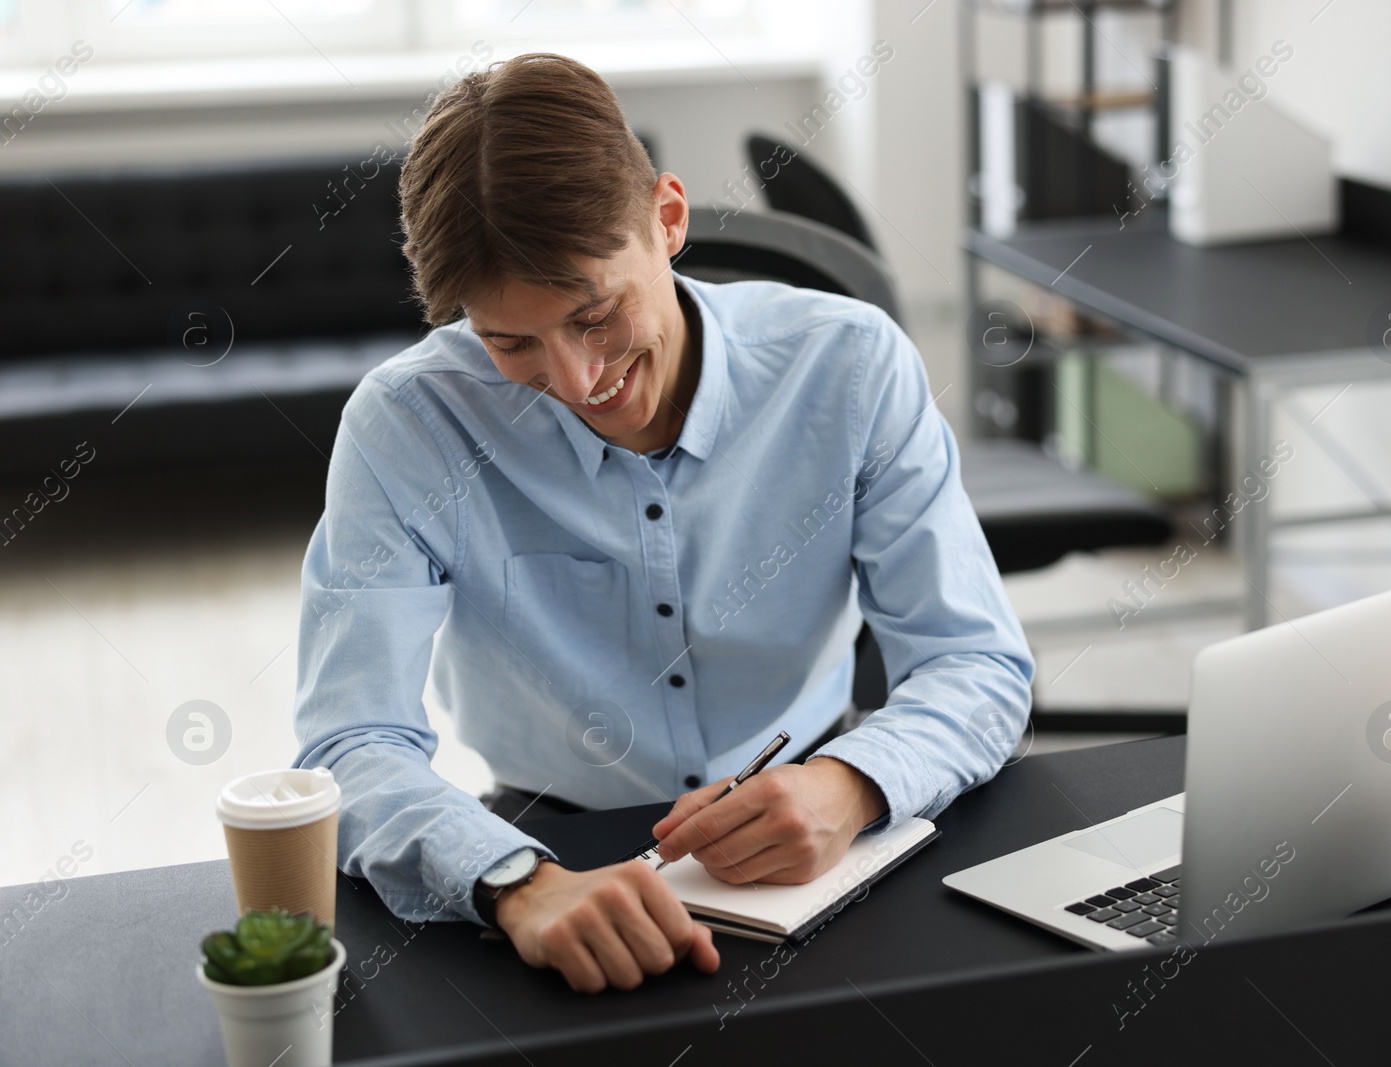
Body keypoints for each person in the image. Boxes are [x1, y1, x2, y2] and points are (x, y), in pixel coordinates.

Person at [291, 52, 1033, 995]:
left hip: (825, 822)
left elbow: (977, 662)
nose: (573, 381)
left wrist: (851, 784)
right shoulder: (410, 423)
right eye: (509, 341)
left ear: (668, 219)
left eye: (594, 316)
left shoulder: (848, 367)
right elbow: (347, 743)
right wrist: (514, 881)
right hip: (547, 839)